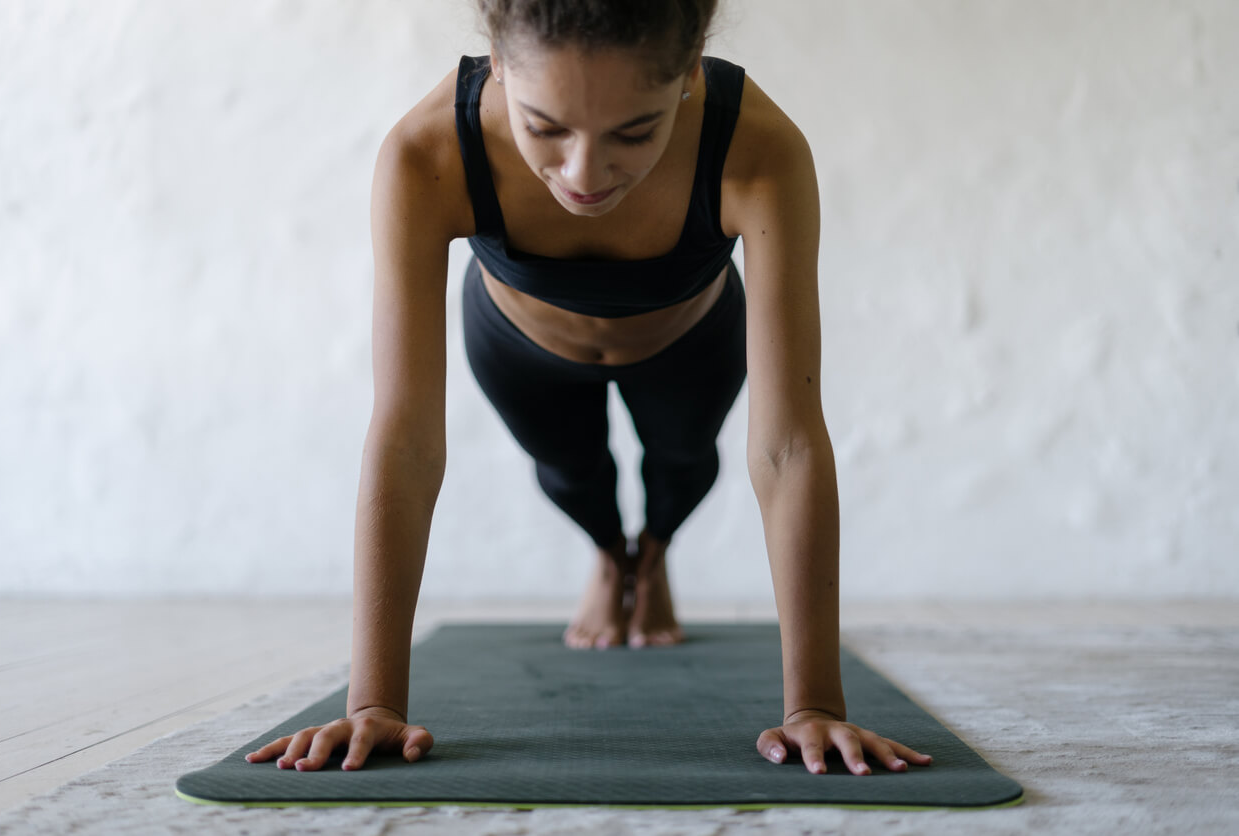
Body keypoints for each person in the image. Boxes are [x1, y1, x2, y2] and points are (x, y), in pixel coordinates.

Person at [246, 0, 931, 778]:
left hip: (691, 341)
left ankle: (657, 552)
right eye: (545, 127)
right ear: (497, 62)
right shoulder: (425, 151)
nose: (584, 173)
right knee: (571, 474)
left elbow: (788, 443)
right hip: (520, 346)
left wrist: (815, 707)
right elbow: (404, 441)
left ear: (688, 70)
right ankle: (612, 558)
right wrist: (373, 703)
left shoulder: (759, 146)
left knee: (683, 464)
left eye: (633, 134)